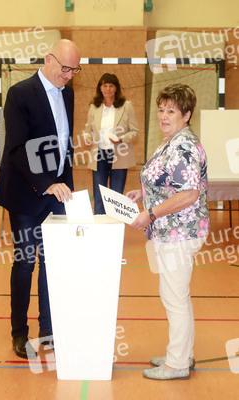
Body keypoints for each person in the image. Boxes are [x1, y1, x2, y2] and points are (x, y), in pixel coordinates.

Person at [0, 39, 81, 358]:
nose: (70, 75)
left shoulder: (68, 93)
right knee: (25, 261)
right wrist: (46, 184)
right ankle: (19, 332)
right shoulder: (19, 94)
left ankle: (48, 329)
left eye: (75, 69)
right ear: (48, 59)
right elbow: (16, 149)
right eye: (65, 68)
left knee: (52, 262)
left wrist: (65, 185)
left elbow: (64, 144)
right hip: (27, 194)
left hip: (57, 192)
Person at [127, 83, 210, 380]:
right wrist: (143, 193)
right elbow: (168, 183)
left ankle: (176, 364)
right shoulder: (171, 140)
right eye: (161, 110)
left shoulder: (184, 145)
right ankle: (182, 354)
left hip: (179, 232)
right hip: (171, 231)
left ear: (186, 114)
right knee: (177, 296)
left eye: (171, 111)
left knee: (174, 297)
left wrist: (149, 214)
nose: (164, 115)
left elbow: (188, 194)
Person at [84, 73, 138, 214]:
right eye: (105, 85)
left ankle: (115, 226)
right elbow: (87, 129)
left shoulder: (127, 106)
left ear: (116, 88)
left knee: (116, 196)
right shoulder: (93, 107)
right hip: (99, 155)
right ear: (100, 88)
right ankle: (99, 226)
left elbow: (135, 132)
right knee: (99, 195)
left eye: (111, 86)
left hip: (119, 155)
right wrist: (87, 137)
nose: (108, 89)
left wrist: (121, 139)